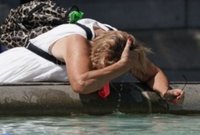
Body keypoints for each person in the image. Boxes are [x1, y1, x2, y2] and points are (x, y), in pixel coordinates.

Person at [0, 18, 184, 104]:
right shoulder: (76, 41)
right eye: (103, 68)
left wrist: (165, 91)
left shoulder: (121, 44)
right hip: (7, 74)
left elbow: (152, 73)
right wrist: (120, 67)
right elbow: (81, 84)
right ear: (94, 53)